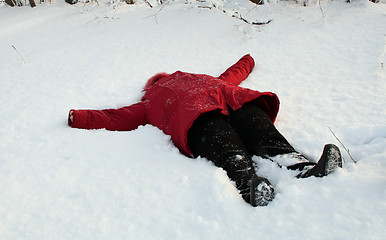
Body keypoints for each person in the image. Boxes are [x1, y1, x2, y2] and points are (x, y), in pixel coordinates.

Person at [68, 54, 342, 207]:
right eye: (158, 79)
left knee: (259, 129)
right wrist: (77, 117)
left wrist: (248, 60)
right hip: (195, 118)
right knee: (227, 147)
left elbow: (233, 74)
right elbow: (116, 117)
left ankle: (303, 167)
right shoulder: (149, 102)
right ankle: (250, 185)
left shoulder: (199, 80)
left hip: (231, 101)